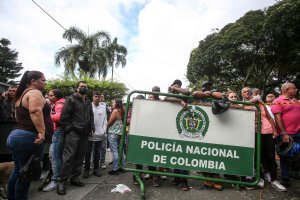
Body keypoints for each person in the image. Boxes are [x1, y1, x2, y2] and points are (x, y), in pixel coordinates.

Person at [6, 70, 51, 200]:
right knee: (27, 173)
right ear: (33, 82)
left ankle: (11, 197)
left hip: (16, 136)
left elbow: (17, 117)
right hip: (28, 137)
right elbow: (35, 111)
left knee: (19, 170)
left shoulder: (20, 96)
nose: (45, 82)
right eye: (43, 80)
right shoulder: (35, 92)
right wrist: (42, 132)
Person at [57, 81, 94, 195]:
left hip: (85, 133)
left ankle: (74, 178)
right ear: (77, 88)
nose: (83, 88)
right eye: (81, 86)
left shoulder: (88, 101)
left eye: (85, 87)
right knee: (69, 157)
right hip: (74, 133)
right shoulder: (71, 99)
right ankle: (62, 181)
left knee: (80, 156)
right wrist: (69, 129)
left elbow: (90, 115)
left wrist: (91, 127)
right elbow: (64, 117)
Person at [192, 81, 224, 191]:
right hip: (202, 128)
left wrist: (211, 93)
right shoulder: (199, 96)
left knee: (215, 153)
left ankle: (216, 177)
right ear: (202, 88)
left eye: (209, 86)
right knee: (203, 154)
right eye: (205, 87)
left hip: (216, 128)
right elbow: (194, 93)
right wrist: (206, 94)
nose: (207, 88)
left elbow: (222, 96)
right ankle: (207, 177)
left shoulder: (215, 96)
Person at [271, 83, 300, 188]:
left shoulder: (295, 100)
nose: (296, 90)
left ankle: (295, 173)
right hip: (286, 134)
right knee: (285, 157)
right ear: (287, 89)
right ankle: (285, 179)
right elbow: (278, 118)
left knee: (297, 154)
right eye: (294, 88)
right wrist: (284, 133)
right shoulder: (277, 101)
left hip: (298, 132)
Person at [164, 79, 190, 191]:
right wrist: (179, 100)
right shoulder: (173, 96)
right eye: (173, 86)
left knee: (183, 156)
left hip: (183, 129)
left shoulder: (183, 93)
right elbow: (166, 98)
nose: (173, 88)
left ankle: (184, 180)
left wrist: (176, 89)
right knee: (174, 154)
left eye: (177, 87)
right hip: (170, 129)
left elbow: (187, 92)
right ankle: (176, 178)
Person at [42, 89, 65, 192]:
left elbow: (60, 117)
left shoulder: (59, 104)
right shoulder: (62, 103)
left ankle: (55, 180)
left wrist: (47, 117)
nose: (49, 97)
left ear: (57, 96)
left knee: (54, 156)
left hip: (58, 132)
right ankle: (60, 178)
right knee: (58, 156)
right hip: (60, 132)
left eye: (51, 96)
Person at [83, 91, 107, 179]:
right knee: (88, 153)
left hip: (100, 134)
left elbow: (105, 120)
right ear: (93, 97)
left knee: (97, 152)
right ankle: (86, 169)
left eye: (98, 96)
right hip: (90, 134)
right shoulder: (89, 106)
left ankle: (96, 169)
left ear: (100, 98)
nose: (97, 98)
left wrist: (104, 130)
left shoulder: (103, 107)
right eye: (95, 96)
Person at [107, 99, 125, 175]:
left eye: (113, 102)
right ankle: (122, 166)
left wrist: (106, 124)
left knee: (114, 151)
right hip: (119, 133)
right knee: (119, 150)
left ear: (117, 103)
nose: (112, 103)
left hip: (113, 133)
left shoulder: (115, 111)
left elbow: (110, 122)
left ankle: (115, 169)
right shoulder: (122, 110)